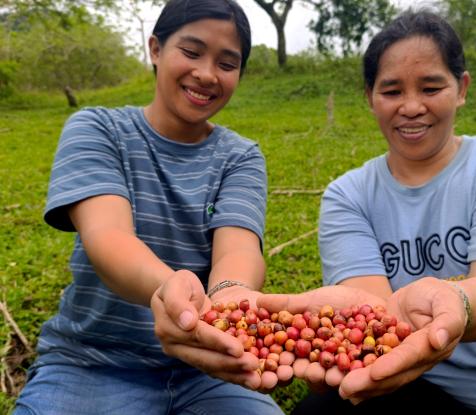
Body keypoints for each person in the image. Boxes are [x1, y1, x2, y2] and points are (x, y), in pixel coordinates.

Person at [258, 9, 476, 414]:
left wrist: (454, 299)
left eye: (431, 87)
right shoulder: (348, 195)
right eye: (392, 91)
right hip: (417, 388)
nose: (412, 107)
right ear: (369, 98)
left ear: (462, 88)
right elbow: (375, 319)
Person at [13, 1, 284, 414]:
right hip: (93, 363)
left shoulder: (241, 157)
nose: (207, 75)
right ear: (155, 49)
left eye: (227, 64)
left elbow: (239, 250)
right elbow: (108, 235)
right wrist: (169, 290)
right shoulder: (98, 129)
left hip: (206, 367)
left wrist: (230, 298)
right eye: (191, 53)